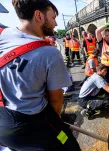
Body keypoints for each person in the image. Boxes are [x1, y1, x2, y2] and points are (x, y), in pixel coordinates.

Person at [0, 0, 81, 150]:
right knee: (67, 143)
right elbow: (56, 101)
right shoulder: (49, 53)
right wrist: (56, 125)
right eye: (53, 17)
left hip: (3, 126)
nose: (55, 24)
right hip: (34, 125)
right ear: (39, 15)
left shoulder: (2, 35)